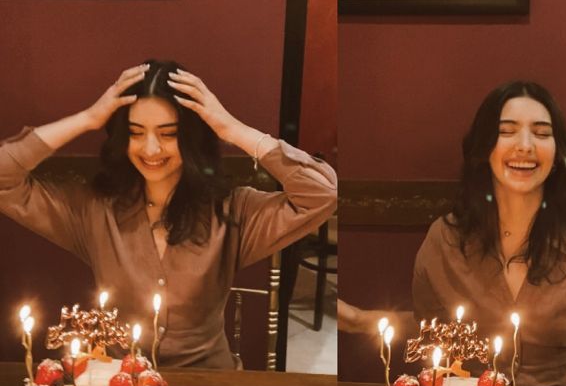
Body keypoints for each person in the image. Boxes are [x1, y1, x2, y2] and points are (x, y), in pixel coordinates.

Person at [340, 81, 566, 386]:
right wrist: (360, 320)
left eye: (541, 133)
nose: (525, 145)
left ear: (558, 154)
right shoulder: (446, 238)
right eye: (506, 131)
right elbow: (434, 332)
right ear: (485, 149)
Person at [0, 60, 336, 368]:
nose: (150, 149)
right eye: (135, 133)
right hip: (121, 383)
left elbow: (322, 195)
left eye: (168, 134)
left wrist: (230, 128)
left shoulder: (233, 211)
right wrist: (87, 118)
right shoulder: (93, 210)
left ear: (190, 139)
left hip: (210, 382)